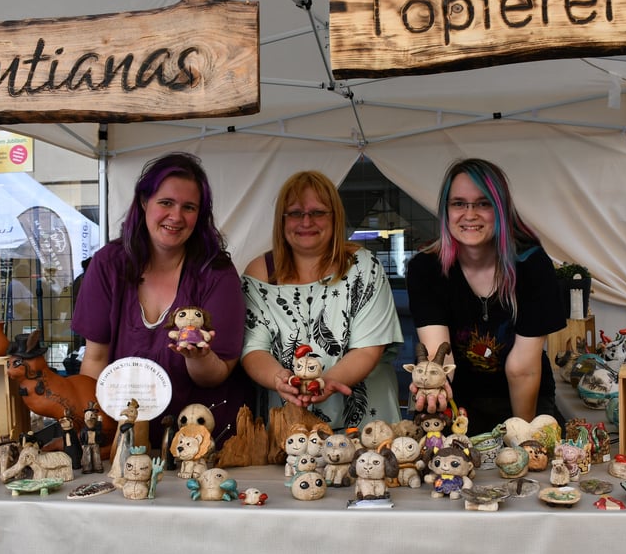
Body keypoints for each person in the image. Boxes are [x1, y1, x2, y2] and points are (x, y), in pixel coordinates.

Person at [71, 152, 246, 449]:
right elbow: (95, 360)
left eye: (188, 207)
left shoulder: (216, 273)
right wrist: (94, 429)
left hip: (200, 441)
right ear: (143, 202)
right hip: (125, 437)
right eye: (166, 203)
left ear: (199, 215)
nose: (176, 217)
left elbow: (217, 374)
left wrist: (197, 356)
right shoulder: (108, 264)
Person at [405, 158, 566, 437]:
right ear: (445, 211)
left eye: (483, 203)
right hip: (461, 404)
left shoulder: (532, 264)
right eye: (458, 203)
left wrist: (523, 438)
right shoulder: (426, 269)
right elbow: (439, 352)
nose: (470, 214)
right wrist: (433, 386)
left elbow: (523, 369)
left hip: (527, 399)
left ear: (501, 210)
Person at [241, 170, 403, 430]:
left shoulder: (363, 266)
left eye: (317, 212)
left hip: (367, 422)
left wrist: (326, 381)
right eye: (295, 213)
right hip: (289, 425)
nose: (306, 222)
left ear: (335, 217)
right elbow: (253, 349)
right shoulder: (259, 272)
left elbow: (369, 348)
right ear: (281, 220)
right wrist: (279, 379)